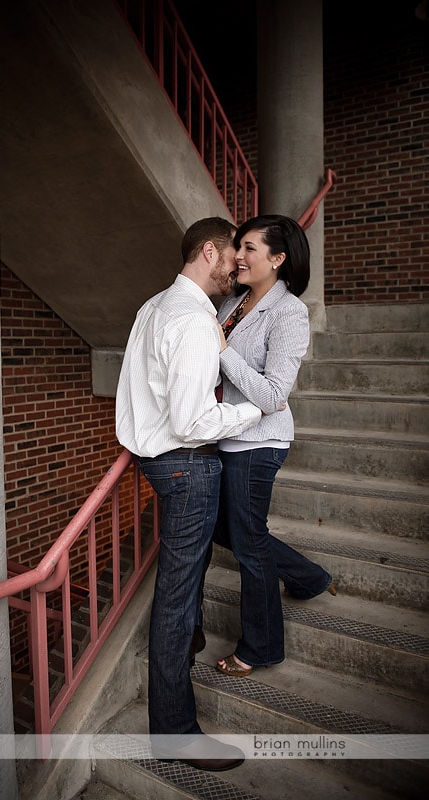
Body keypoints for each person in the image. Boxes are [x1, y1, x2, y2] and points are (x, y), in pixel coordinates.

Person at [115, 216, 264, 771]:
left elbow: (137, 398)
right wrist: (256, 410)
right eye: (232, 257)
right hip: (187, 467)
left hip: (160, 463)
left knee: (188, 585)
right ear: (209, 251)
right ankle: (175, 731)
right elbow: (192, 417)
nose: (238, 269)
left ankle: (191, 641)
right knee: (175, 601)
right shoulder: (194, 323)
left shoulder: (153, 307)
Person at [212, 214, 336, 678]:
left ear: (278, 259)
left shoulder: (289, 313)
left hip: (259, 442)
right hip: (227, 437)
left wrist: (220, 349)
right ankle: (308, 577)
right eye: (236, 247)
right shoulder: (233, 303)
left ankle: (260, 646)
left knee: (247, 543)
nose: (237, 256)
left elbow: (272, 396)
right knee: (230, 531)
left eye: (248, 248)